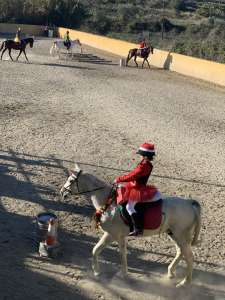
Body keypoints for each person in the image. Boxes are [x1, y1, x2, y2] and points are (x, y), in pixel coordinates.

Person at [114, 142, 161, 236]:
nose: (140, 156)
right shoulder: (144, 163)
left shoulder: (144, 166)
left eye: (141, 154)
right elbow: (132, 174)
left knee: (129, 207)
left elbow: (133, 175)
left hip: (139, 189)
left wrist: (119, 179)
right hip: (134, 185)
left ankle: (138, 228)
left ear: (144, 155)